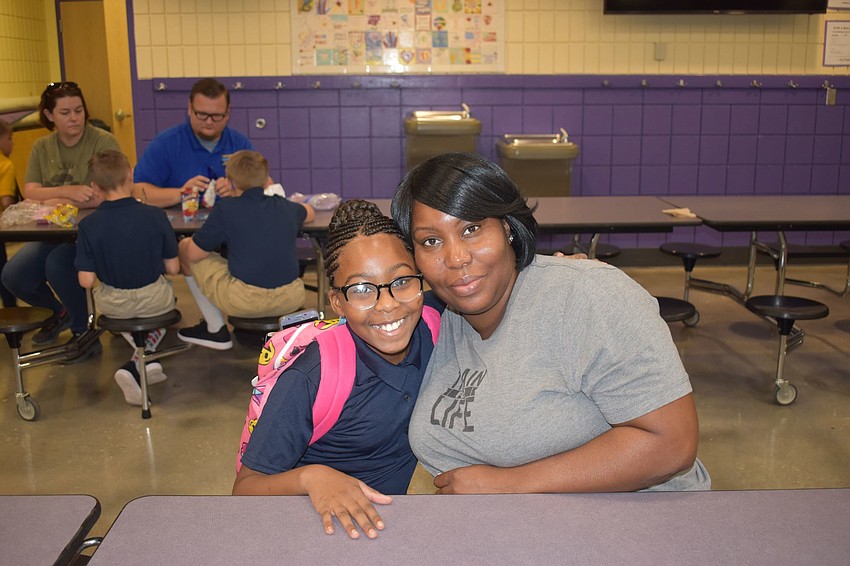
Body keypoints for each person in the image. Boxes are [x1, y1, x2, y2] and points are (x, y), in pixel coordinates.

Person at [391, 152, 711, 494]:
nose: (456, 259)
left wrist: (507, 485)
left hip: (638, 528)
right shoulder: (432, 321)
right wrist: (324, 475)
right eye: (431, 241)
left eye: (471, 229)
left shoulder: (586, 296)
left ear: (507, 228)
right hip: (517, 532)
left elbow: (672, 445)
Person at [233, 200, 438, 536]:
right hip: (320, 529)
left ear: (421, 280)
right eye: (360, 289)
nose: (387, 304)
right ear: (337, 302)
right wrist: (311, 476)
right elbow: (244, 490)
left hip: (388, 528)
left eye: (401, 281)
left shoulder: (433, 324)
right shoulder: (311, 376)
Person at [1, 81, 120, 352]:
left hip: (94, 232)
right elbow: (30, 191)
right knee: (14, 275)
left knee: (58, 264)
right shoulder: (42, 147)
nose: (74, 117)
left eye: (78, 110)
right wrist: (70, 193)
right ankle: (60, 312)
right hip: (52, 231)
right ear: (49, 116)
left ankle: (83, 332)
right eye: (65, 113)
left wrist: (50, 198)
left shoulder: (103, 142)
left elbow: (106, 193)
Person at [177, 150, 314, 350]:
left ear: (230, 181)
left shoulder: (226, 209)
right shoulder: (285, 207)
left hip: (244, 300)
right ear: (267, 180)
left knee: (185, 247)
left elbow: (193, 254)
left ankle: (215, 330)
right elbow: (309, 212)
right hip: (291, 297)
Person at [75, 150, 178, 405]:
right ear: (131, 174)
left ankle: (143, 362)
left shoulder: (89, 225)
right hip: (154, 300)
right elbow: (174, 268)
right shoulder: (156, 215)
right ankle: (136, 366)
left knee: (126, 316)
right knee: (165, 305)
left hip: (113, 305)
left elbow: (86, 282)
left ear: (95, 186)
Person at [133, 78, 254, 208]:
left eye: (216, 116)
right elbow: (137, 192)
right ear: (190, 108)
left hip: (229, 225)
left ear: (228, 113)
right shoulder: (165, 145)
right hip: (178, 225)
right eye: (202, 114)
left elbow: (264, 186)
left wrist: (237, 191)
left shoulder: (240, 145)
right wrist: (181, 194)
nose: (209, 122)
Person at [0, 118, 21, 307]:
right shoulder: (6, 164)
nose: (12, 143)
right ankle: (11, 313)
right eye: (9, 138)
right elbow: (6, 201)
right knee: (2, 271)